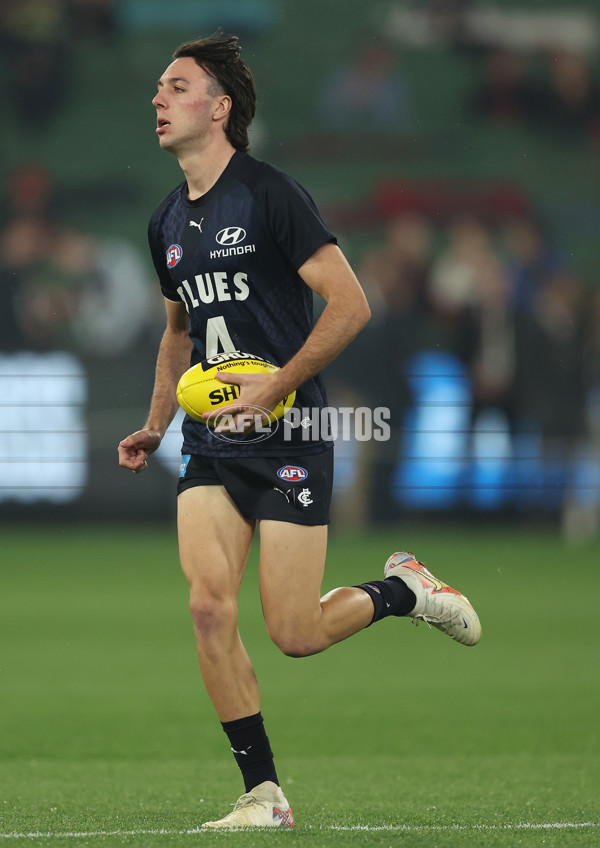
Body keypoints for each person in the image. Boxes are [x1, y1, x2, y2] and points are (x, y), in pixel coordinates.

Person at [117, 33, 482, 830]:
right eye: (157, 88)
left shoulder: (272, 194)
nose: (158, 99)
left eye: (175, 87)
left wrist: (275, 389)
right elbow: (179, 334)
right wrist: (154, 425)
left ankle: (404, 591)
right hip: (213, 443)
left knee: (294, 632)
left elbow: (351, 304)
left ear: (218, 109)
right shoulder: (165, 222)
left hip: (290, 436)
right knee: (209, 609)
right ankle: (264, 795)